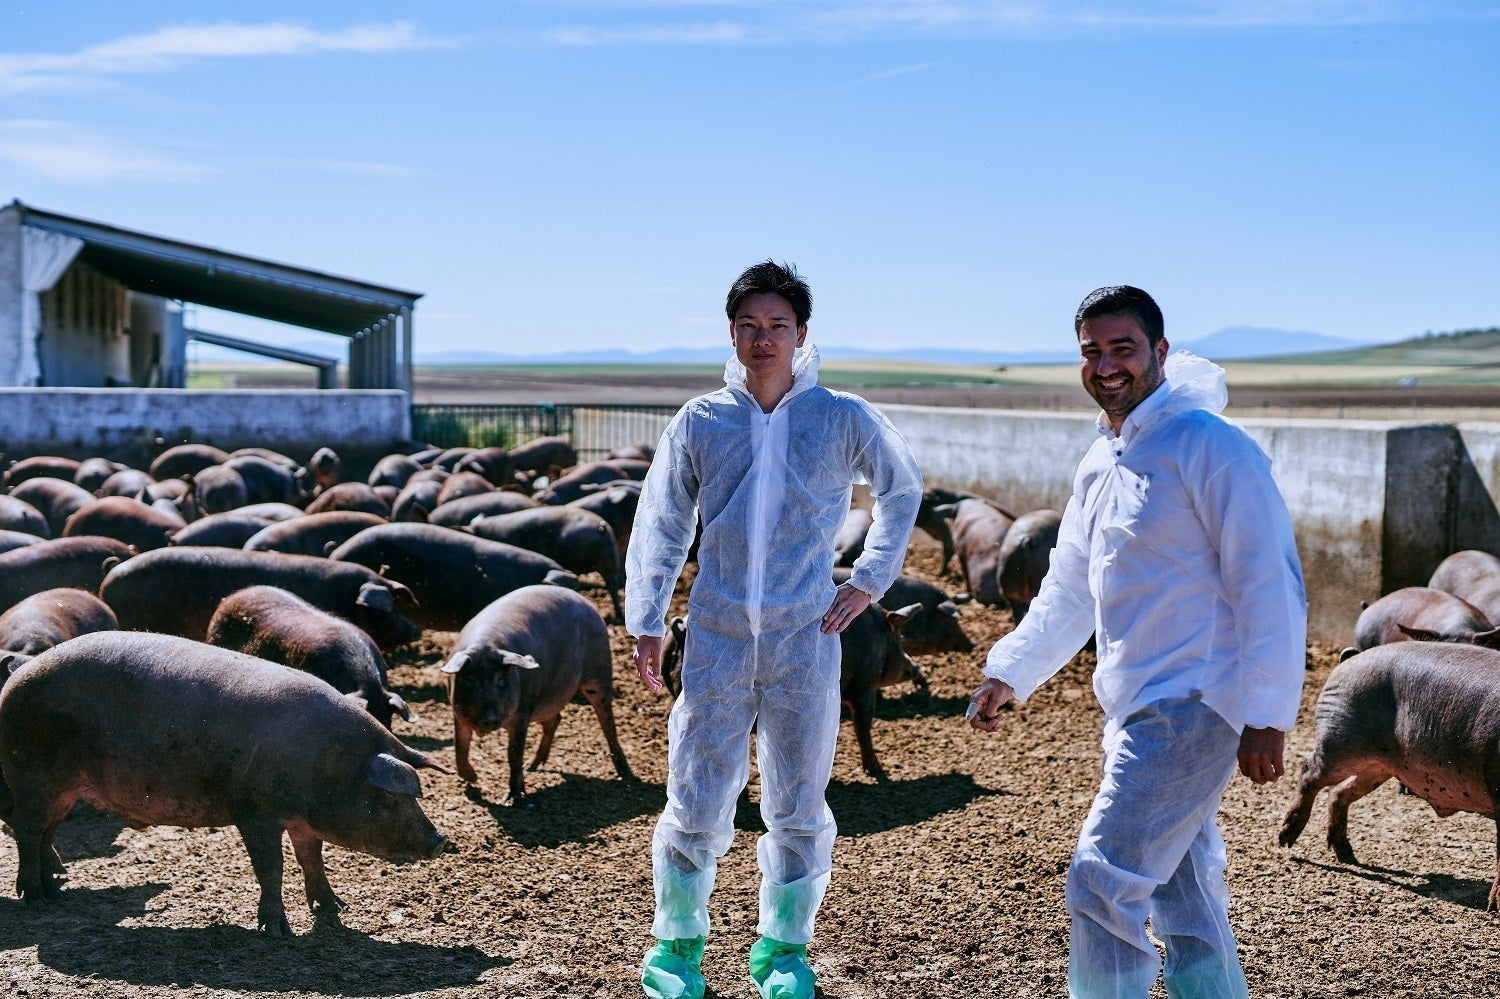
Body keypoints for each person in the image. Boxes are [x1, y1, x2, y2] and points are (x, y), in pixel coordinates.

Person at [967, 285, 1306, 998]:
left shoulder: (1210, 446)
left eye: (1123, 348)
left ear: (1160, 351)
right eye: (1091, 351)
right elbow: (1071, 587)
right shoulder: (1103, 460)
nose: (1106, 365)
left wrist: (1268, 711)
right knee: (1182, 886)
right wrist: (1011, 670)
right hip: (1135, 700)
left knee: (1101, 877)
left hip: (1196, 699)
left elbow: (1268, 583)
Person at [627, 260, 923, 999]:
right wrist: (647, 616)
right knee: (695, 792)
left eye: (778, 326)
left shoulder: (841, 416)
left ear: (801, 334)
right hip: (719, 632)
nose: (763, 339)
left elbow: (902, 487)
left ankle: (784, 950)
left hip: (804, 635)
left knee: (797, 800)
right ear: (732, 333)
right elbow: (662, 520)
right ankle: (677, 947)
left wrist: (869, 578)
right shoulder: (702, 420)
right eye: (750, 326)